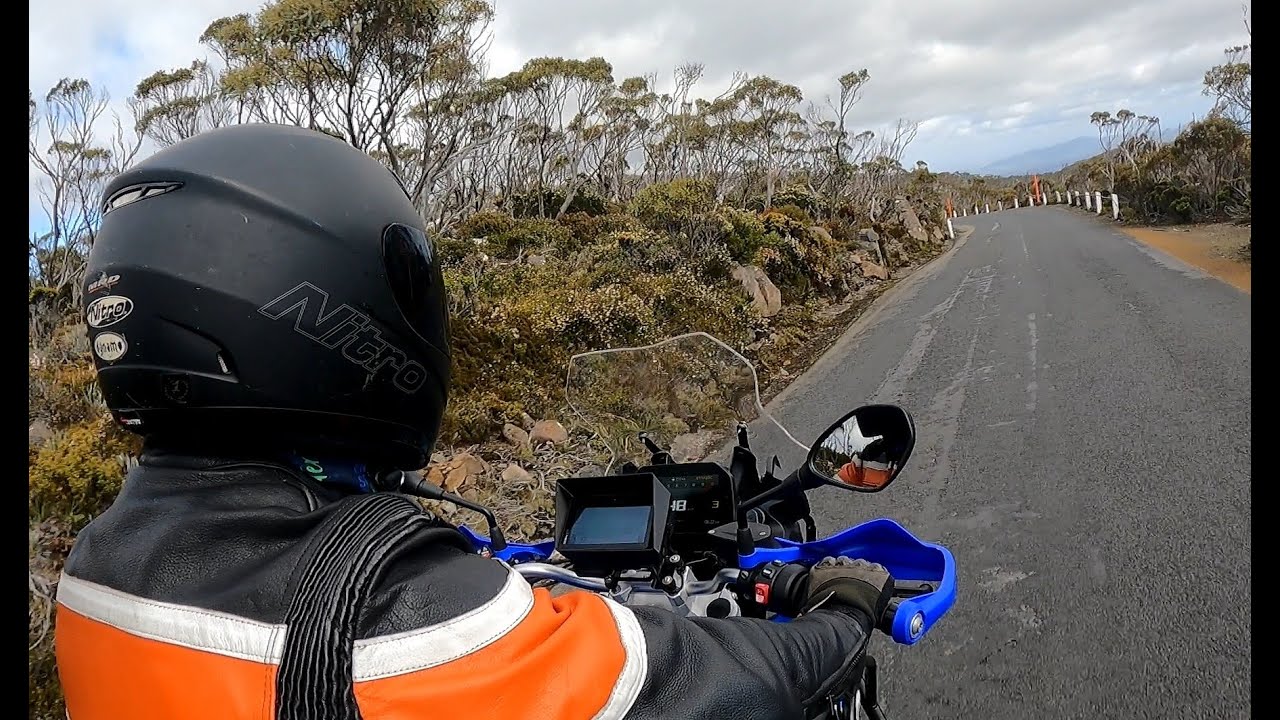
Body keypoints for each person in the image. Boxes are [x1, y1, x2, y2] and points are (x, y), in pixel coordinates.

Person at [54, 123, 896, 720]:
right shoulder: (405, 617)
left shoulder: (96, 570)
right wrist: (842, 616)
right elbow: (696, 681)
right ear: (336, 316)